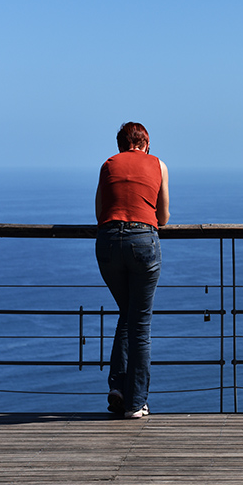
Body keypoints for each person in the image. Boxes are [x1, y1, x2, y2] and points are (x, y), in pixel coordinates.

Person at [95, 122, 170, 418]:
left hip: (109, 242)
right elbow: (162, 217)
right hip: (142, 240)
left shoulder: (108, 165)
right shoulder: (158, 165)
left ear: (120, 145)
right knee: (140, 324)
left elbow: (101, 213)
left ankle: (118, 387)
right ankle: (135, 403)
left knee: (127, 315)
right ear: (146, 143)